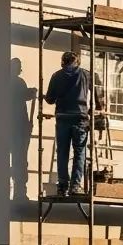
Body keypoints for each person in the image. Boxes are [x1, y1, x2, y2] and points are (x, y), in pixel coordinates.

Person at [43, 51, 104, 196]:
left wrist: (42, 96)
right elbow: (99, 96)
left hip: (63, 118)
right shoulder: (87, 75)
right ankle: (75, 186)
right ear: (78, 62)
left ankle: (62, 186)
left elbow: (50, 99)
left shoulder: (56, 76)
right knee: (80, 153)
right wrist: (100, 111)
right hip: (80, 118)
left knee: (62, 153)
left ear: (63, 62)